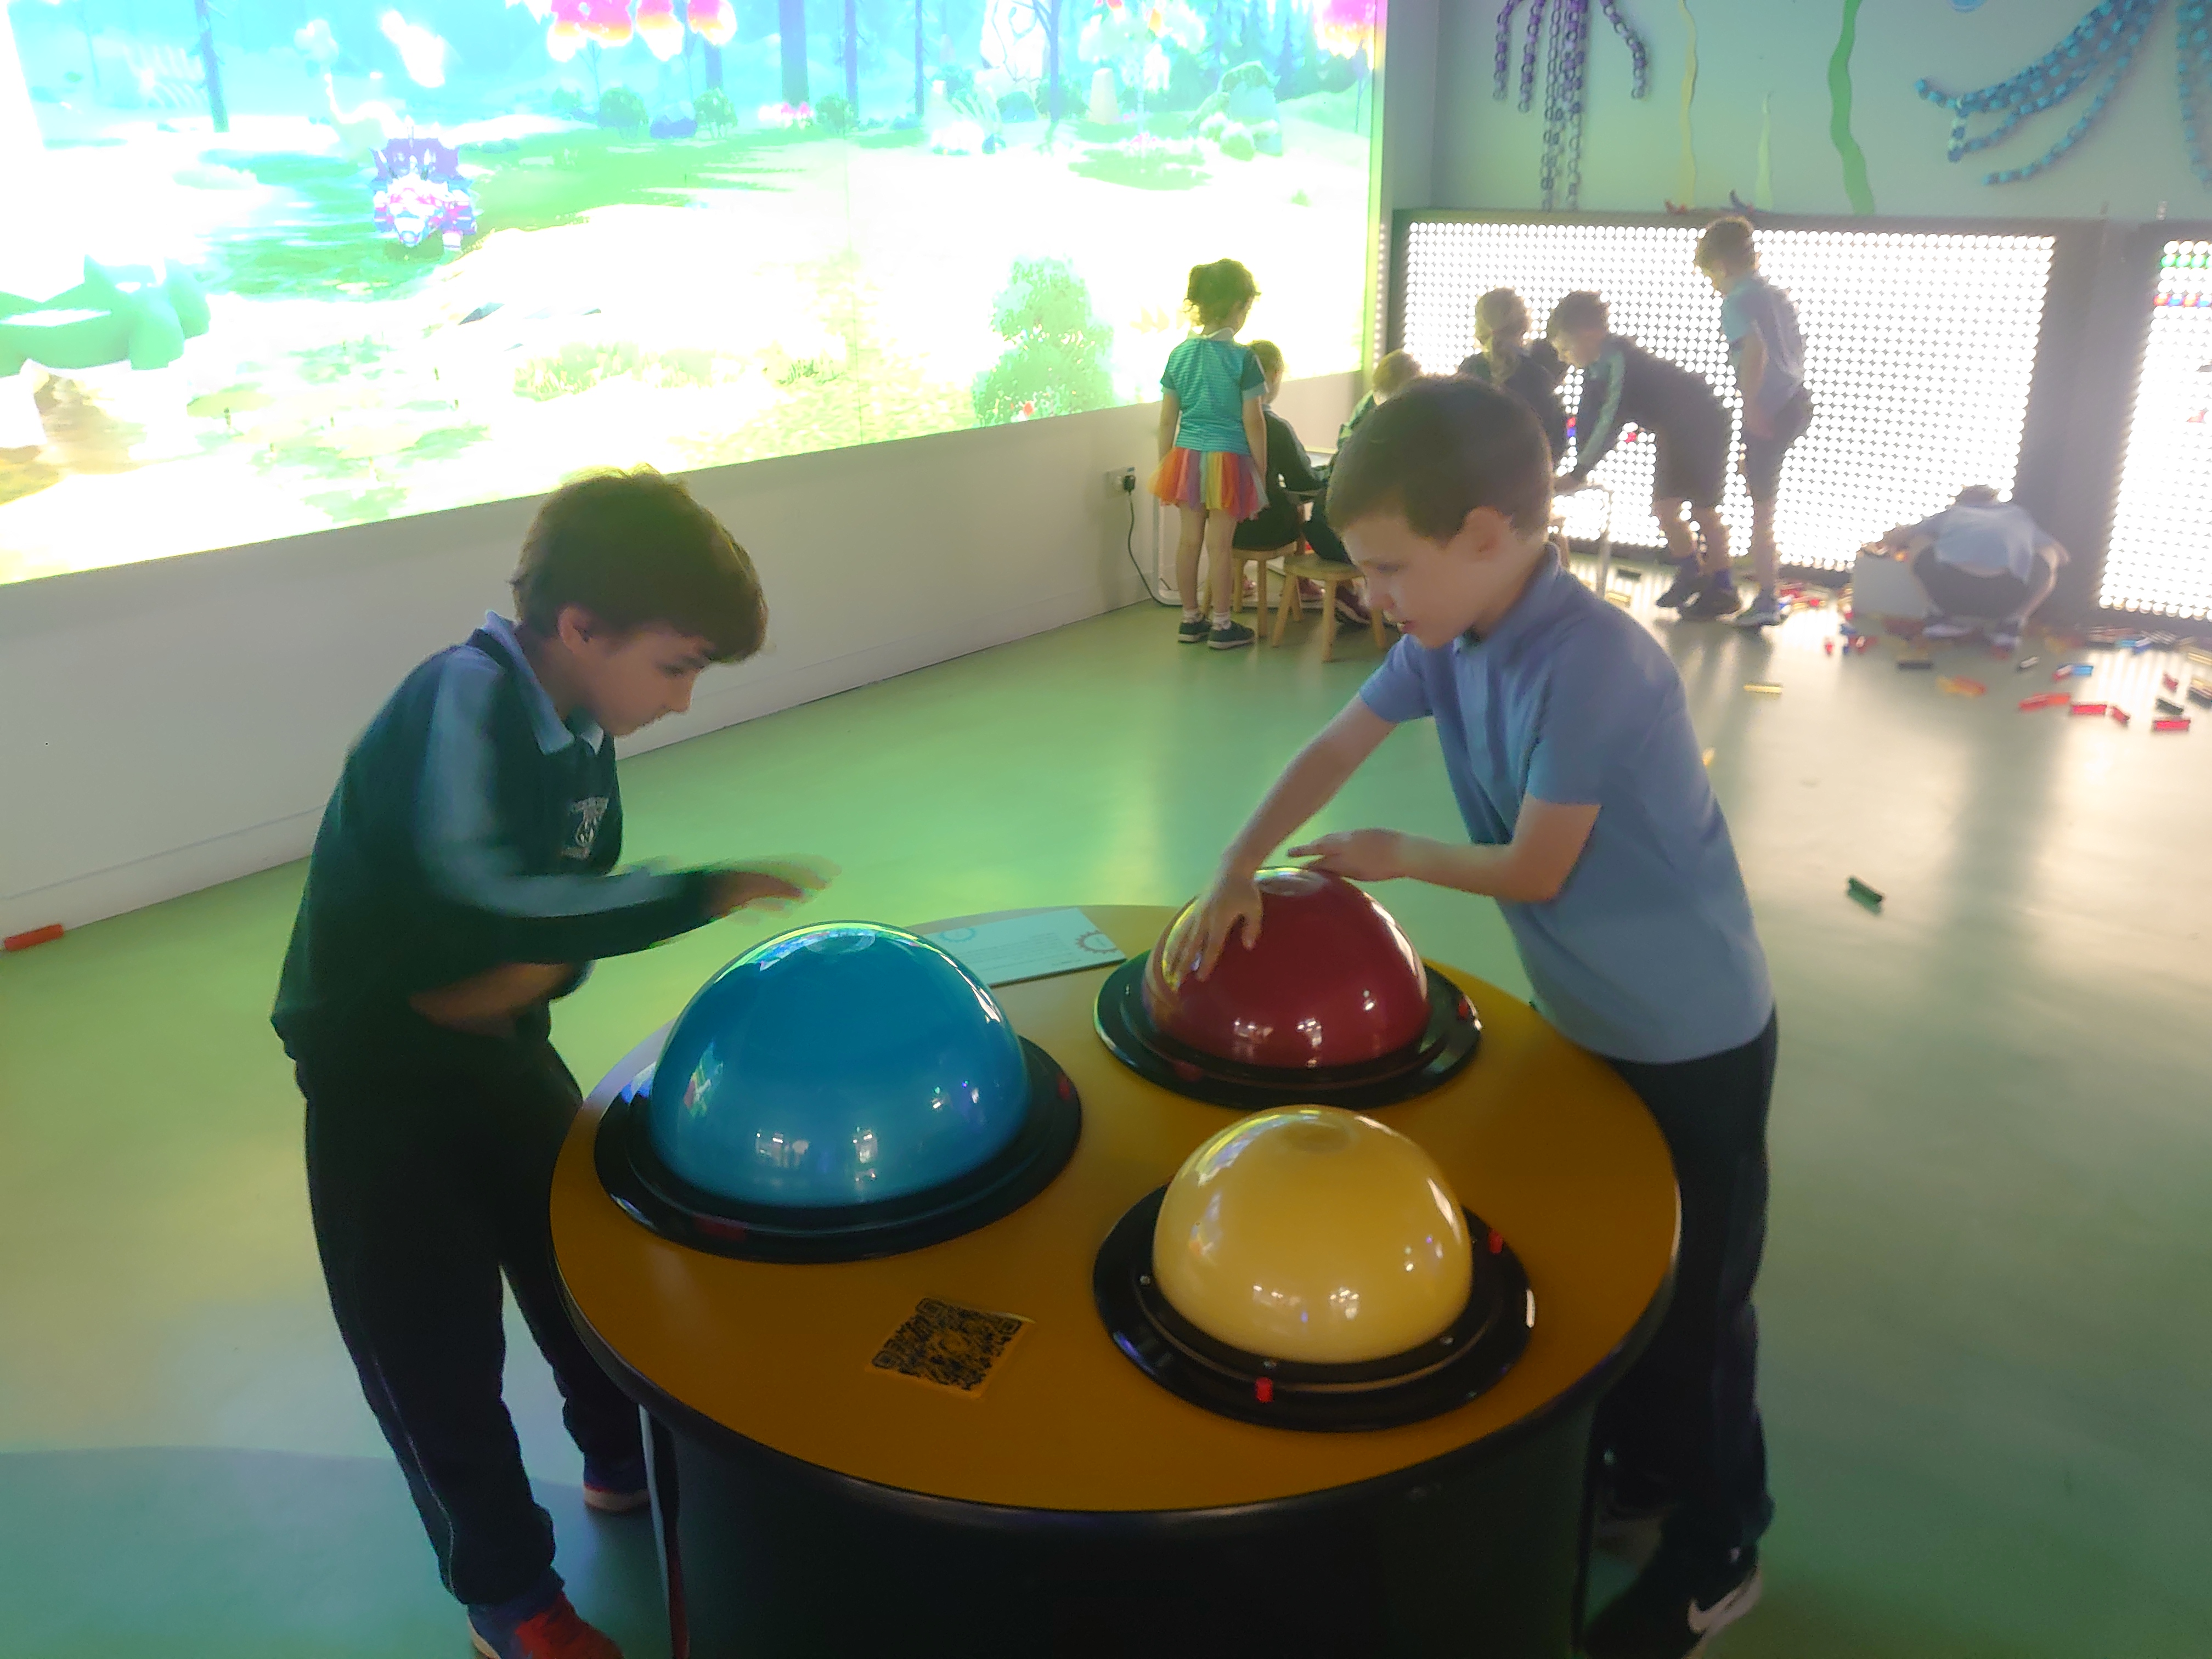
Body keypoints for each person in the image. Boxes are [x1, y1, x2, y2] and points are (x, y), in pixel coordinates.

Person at [1170, 376, 1776, 1659]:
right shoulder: (1447, 639)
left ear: (1490, 534)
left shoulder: (1597, 664)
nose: (1374, 595)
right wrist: (1236, 863)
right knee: (1620, 1268)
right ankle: (1649, 1471)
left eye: (1391, 568)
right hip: (1589, 1016)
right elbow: (1333, 748)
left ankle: (1722, 1544)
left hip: (1695, 1035)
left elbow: (1537, 868)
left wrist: (1397, 855)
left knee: (1701, 1309)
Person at [272, 467, 829, 1659]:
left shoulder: (580, 729)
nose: (681, 700)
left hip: (500, 1052)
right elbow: (487, 898)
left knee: (583, 1258)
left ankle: (619, 1456)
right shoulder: (460, 696)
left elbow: (542, 927)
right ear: (581, 627)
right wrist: (690, 894)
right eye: (675, 666)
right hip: (380, 1088)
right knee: (433, 1357)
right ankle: (509, 1595)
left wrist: (531, 971)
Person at [1548, 291, 1739, 620]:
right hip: (1672, 431)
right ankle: (1692, 571)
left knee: (1704, 510)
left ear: (1589, 335)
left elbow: (1611, 419)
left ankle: (1723, 587)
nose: (1564, 357)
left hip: (1705, 423)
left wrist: (1578, 473)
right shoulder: (1595, 368)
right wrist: (1577, 464)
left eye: (1566, 347)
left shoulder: (1619, 362)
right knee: (1665, 508)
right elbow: (1590, 420)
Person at [1695, 216, 1812, 629]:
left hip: (1770, 406)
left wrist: (1751, 408)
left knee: (1762, 511)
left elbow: (1754, 352)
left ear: (1721, 266)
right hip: (1797, 401)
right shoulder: (1774, 294)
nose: (1713, 286)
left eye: (1711, 276)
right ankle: (1761, 572)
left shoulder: (1736, 301)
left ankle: (1767, 598)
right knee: (1757, 487)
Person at [1152, 258, 1268, 651]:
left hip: (1186, 457)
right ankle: (1221, 624)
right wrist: (1260, 471)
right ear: (1237, 307)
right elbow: (1254, 422)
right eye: (1246, 308)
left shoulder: (1179, 355)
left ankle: (1190, 619)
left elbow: (1167, 420)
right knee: (1220, 547)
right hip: (1229, 460)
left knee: (1189, 542)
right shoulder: (1243, 359)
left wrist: (1166, 465)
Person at [1235, 338, 1369, 629]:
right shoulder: (1276, 428)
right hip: (1266, 529)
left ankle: (1237, 579)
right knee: (1298, 506)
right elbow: (1304, 481)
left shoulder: (1225, 423)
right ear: (1274, 375)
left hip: (1228, 529)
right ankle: (1303, 583)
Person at [1879, 484, 2067, 652]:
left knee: (1919, 539)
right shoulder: (2018, 515)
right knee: (2049, 552)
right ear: (1994, 499)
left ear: (1960, 501)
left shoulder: (1953, 513)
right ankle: (2012, 625)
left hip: (1949, 591)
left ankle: (1936, 618)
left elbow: (1900, 537)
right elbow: (2063, 556)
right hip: (2006, 597)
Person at [1457, 287, 1568, 464]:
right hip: (1525, 475)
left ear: (1479, 328)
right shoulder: (1538, 375)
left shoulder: (1467, 371)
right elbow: (1554, 443)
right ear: (1524, 325)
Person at [1339, 347, 1420, 447]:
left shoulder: (1424, 415)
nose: (1384, 409)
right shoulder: (1370, 401)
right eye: (1379, 396)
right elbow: (1347, 440)